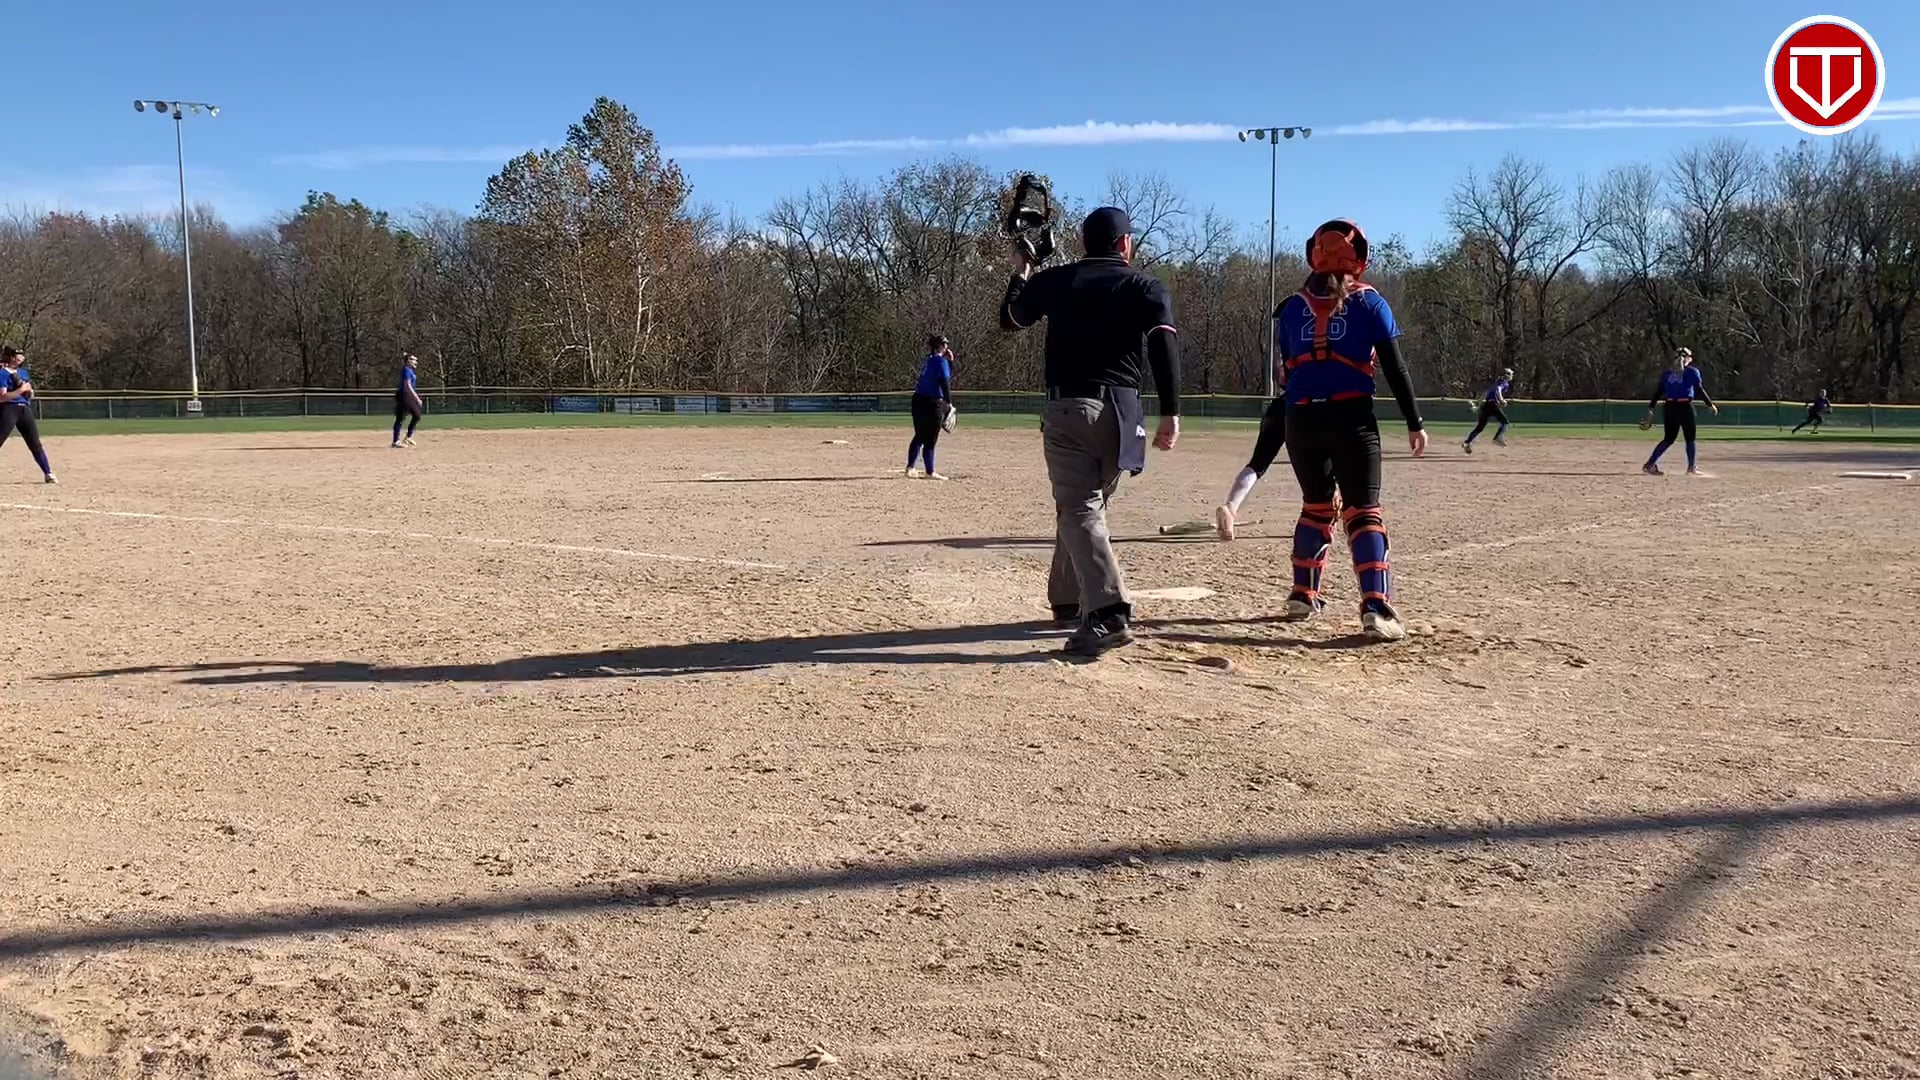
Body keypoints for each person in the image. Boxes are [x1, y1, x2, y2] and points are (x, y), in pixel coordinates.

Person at [1001, 206, 1181, 658]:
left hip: (1070, 408)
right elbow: (1163, 342)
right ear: (1125, 244)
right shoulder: (1145, 285)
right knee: (1086, 506)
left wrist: (1023, 270)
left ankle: (1108, 613)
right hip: (1125, 415)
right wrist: (1171, 412)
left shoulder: (1056, 280)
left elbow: (1010, 318)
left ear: (1083, 243)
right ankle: (1067, 600)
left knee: (1079, 507)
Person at [1275, 220, 1426, 643]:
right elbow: (1395, 366)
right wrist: (1414, 421)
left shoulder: (1291, 308)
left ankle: (1302, 596)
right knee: (1362, 511)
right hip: (1350, 416)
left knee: (1316, 506)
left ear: (1314, 256)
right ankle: (1376, 607)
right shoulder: (1369, 302)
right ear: (1359, 258)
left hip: (1300, 418)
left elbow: (1288, 369)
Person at [1640, 347, 1718, 476]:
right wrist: (1710, 404)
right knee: (1690, 438)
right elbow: (1699, 389)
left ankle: (1650, 464)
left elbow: (1659, 392)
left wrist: (1651, 408)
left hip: (1669, 407)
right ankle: (1691, 467)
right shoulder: (1692, 372)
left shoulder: (1667, 373)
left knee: (1668, 439)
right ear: (1687, 358)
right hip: (1685, 406)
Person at [0, 346, 57, 484]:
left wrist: (29, 392)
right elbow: (2, 397)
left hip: (24, 409)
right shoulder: (2, 373)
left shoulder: (23, 373)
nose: (21, 357)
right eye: (17, 355)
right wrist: (21, 390)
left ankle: (48, 473)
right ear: (10, 357)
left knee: (35, 443)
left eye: (21, 355)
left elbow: (29, 393)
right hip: (8, 409)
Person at [905, 334, 954, 480]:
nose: (947, 347)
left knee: (919, 435)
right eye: (945, 344)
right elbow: (945, 382)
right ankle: (930, 472)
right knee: (931, 439)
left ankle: (910, 468)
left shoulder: (929, 360)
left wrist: (950, 362)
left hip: (918, 400)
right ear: (941, 346)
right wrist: (949, 403)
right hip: (933, 403)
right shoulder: (941, 361)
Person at [1462, 368, 1514, 453]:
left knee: (1479, 427)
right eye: (1511, 374)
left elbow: (1484, 394)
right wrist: (1501, 400)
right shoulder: (1504, 383)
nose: (1512, 376)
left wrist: (1478, 406)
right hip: (1493, 405)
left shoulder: (1495, 383)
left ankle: (1467, 443)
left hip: (1486, 405)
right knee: (1505, 423)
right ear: (1507, 375)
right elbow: (1498, 390)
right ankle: (1497, 438)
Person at [392, 353, 423, 448]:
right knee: (400, 418)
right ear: (408, 361)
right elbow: (408, 385)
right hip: (404, 395)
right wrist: (417, 397)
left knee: (417, 415)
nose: (416, 362)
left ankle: (408, 437)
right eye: (413, 360)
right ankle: (396, 441)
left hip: (409, 396)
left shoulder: (410, 371)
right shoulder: (406, 370)